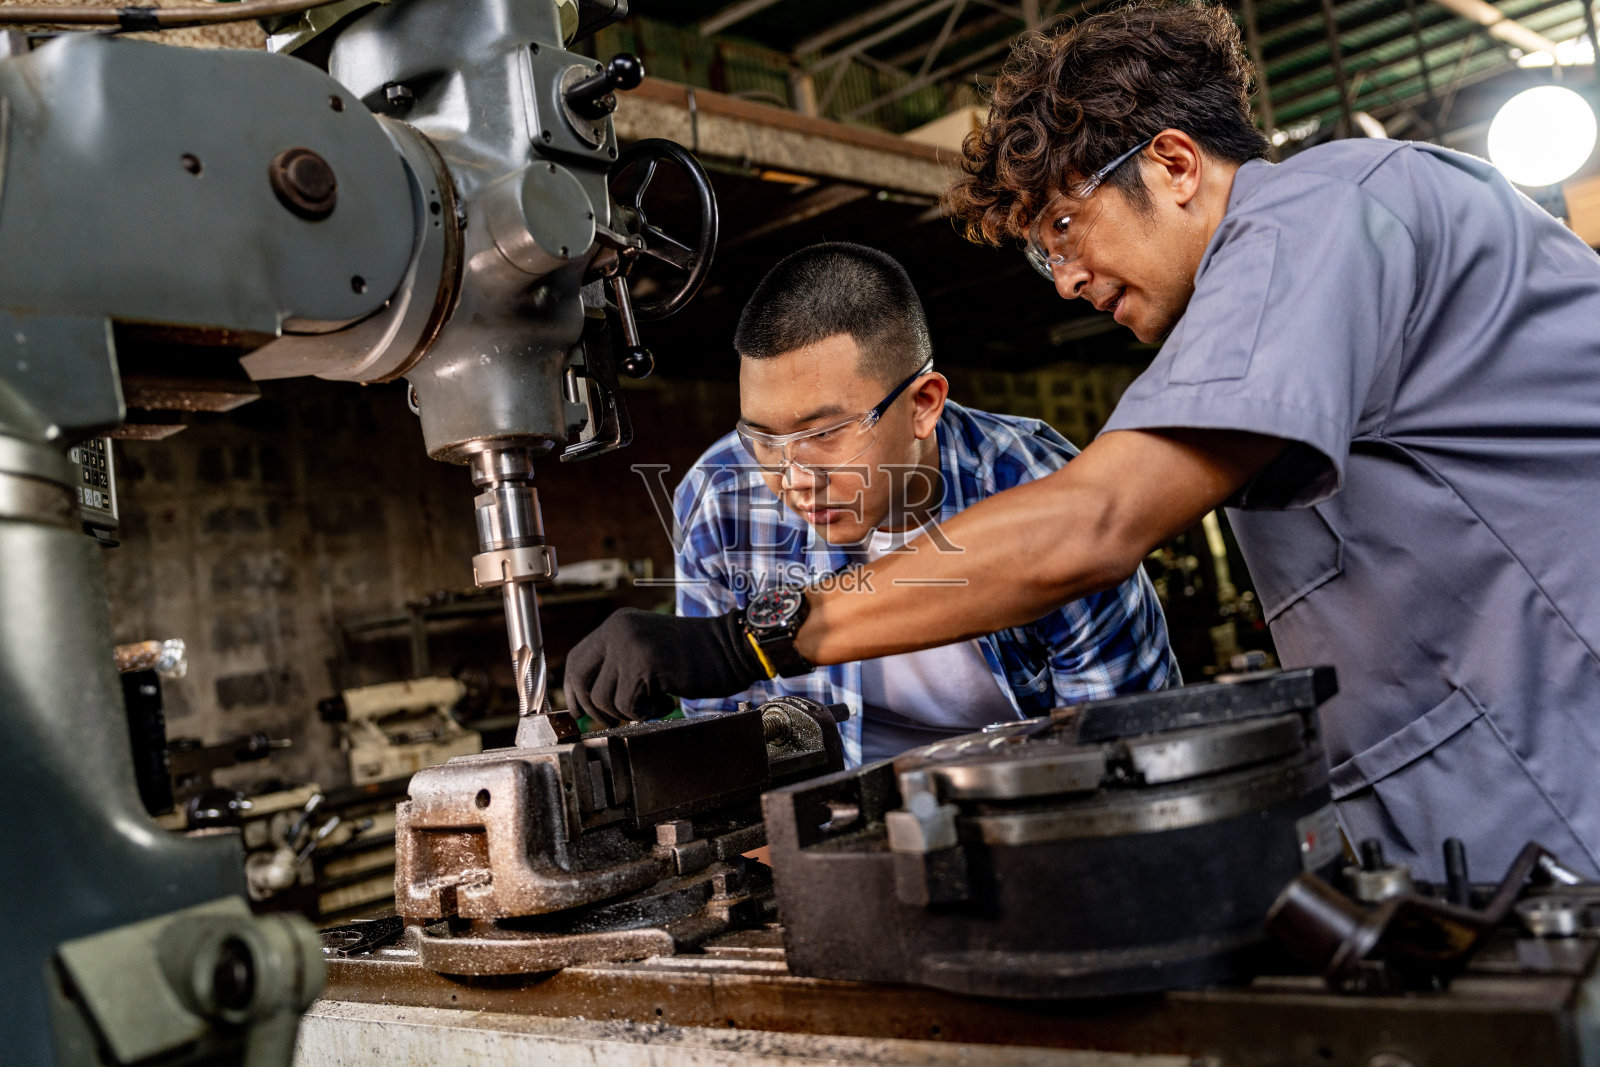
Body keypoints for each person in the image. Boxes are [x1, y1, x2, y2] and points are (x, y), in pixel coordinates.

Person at [564, 2, 1600, 880]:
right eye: (1039, 253)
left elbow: (1095, 522)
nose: (1061, 277)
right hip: (1474, 830)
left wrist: (754, 636)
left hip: (1563, 790)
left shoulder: (1331, 214)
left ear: (1175, 163)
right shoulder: (1261, 317)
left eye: (1064, 226)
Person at [565, 242, 1177, 766]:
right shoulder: (720, 494)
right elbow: (733, 761)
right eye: (762, 437)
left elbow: (1126, 748)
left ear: (924, 403)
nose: (792, 476)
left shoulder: (1034, 485)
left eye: (825, 433)